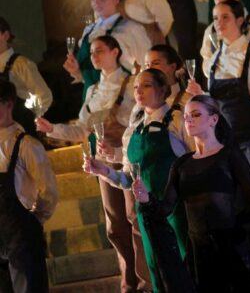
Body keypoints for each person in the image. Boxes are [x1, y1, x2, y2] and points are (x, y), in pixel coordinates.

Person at [38, 35, 149, 293]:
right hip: (103, 159)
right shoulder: (92, 90)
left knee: (134, 221)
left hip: (127, 156)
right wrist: (52, 128)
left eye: (100, 50)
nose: (94, 56)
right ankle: (128, 281)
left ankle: (144, 281)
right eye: (92, 52)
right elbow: (81, 130)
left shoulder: (132, 82)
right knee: (115, 226)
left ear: (115, 51)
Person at [188, 0, 250, 282]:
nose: (218, 23)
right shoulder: (214, 58)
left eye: (225, 17)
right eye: (216, 18)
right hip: (225, 145)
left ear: (241, 20)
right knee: (236, 206)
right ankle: (249, 266)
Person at [134, 95, 250, 292]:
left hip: (231, 250)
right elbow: (165, 209)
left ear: (213, 119)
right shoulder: (181, 164)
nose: (188, 119)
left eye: (196, 115)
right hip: (198, 253)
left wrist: (234, 231)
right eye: (186, 115)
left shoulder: (229, 155)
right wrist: (146, 199)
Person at [85, 68, 192, 292]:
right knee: (156, 271)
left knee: (185, 267)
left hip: (177, 208)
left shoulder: (178, 120)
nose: (138, 91)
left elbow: (194, 160)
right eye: (135, 87)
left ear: (163, 89)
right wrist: (102, 171)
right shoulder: (132, 131)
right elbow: (126, 179)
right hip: (147, 211)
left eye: (146, 85)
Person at [0, 79, 57, 293]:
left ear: (9, 104)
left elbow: (49, 192)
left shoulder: (26, 144)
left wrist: (32, 221)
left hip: (21, 234)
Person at [64, 0, 151, 98]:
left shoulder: (131, 28)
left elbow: (147, 66)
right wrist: (76, 71)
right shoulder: (89, 31)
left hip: (120, 97)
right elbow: (88, 76)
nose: (96, 2)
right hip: (92, 97)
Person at [0, 17, 52, 135]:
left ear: (6, 35)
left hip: (21, 131)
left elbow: (45, 96)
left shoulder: (21, 64)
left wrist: (33, 118)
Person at [145, 44, 190, 111]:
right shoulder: (144, 102)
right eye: (147, 65)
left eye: (156, 63)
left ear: (172, 67)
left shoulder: (187, 100)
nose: (149, 68)